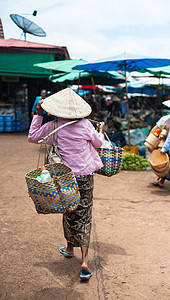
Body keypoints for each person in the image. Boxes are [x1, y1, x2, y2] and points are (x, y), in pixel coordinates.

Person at [28, 88, 106, 280]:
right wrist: (101, 132)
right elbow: (99, 144)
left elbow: (33, 136)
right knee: (85, 213)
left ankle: (70, 247)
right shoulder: (86, 125)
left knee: (69, 210)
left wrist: (38, 115)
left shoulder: (54, 127)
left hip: (65, 178)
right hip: (86, 175)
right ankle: (84, 261)